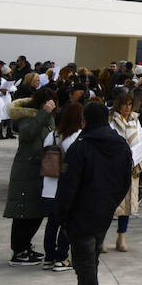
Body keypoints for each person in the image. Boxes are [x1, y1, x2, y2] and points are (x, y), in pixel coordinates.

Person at [55, 102, 131, 285]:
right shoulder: (121, 145)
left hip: (81, 217)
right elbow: (125, 182)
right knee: (89, 264)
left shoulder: (80, 147)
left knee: (85, 267)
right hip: (103, 214)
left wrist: (62, 216)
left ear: (86, 121)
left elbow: (67, 187)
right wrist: (110, 203)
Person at [5, 87, 57, 266]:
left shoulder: (48, 117)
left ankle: (25, 246)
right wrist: (44, 114)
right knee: (23, 213)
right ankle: (18, 251)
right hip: (27, 171)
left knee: (35, 212)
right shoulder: (27, 117)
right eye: (47, 101)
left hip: (41, 170)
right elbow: (27, 135)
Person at [40, 101, 83, 271]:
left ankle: (49, 257)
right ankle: (62, 258)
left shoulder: (51, 136)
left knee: (51, 224)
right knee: (67, 225)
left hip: (48, 188)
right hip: (66, 189)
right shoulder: (77, 137)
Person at [108, 90, 142, 252]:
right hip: (115, 167)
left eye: (130, 104)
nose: (127, 107)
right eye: (124, 104)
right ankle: (102, 238)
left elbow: (140, 138)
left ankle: (121, 237)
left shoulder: (135, 119)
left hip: (132, 166)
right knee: (111, 204)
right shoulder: (111, 121)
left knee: (127, 205)